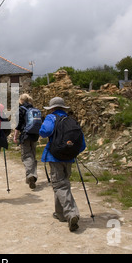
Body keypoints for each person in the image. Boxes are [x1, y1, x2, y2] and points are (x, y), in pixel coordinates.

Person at [39, 97, 86, 232]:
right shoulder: (71, 121)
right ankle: (60, 214)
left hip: (55, 156)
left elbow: (44, 132)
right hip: (69, 158)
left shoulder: (51, 118)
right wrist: (71, 152)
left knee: (59, 185)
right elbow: (82, 144)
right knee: (62, 184)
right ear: (64, 108)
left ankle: (71, 214)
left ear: (52, 108)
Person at [13, 94, 39, 189]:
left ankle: (30, 176)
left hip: (25, 135)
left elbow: (18, 125)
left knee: (26, 156)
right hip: (35, 135)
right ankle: (33, 175)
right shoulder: (35, 109)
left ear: (21, 100)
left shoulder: (21, 110)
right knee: (33, 155)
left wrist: (15, 136)